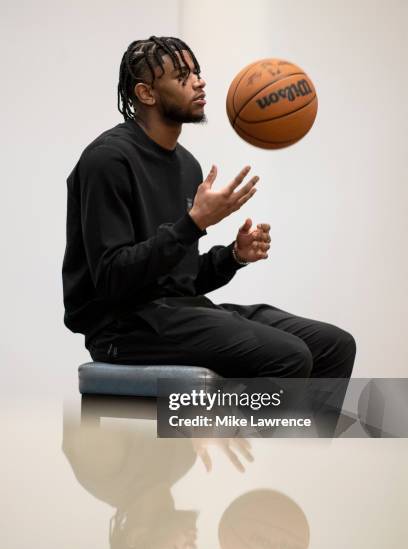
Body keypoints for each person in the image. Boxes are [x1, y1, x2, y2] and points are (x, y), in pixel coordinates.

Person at [62, 35, 356, 387]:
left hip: (179, 312)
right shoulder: (107, 160)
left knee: (335, 346)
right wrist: (194, 223)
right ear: (146, 94)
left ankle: (291, 441)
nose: (199, 82)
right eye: (182, 75)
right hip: (122, 327)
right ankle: (230, 437)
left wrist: (234, 256)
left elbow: (181, 280)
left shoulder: (188, 166)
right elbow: (112, 279)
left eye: (197, 72)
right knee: (289, 356)